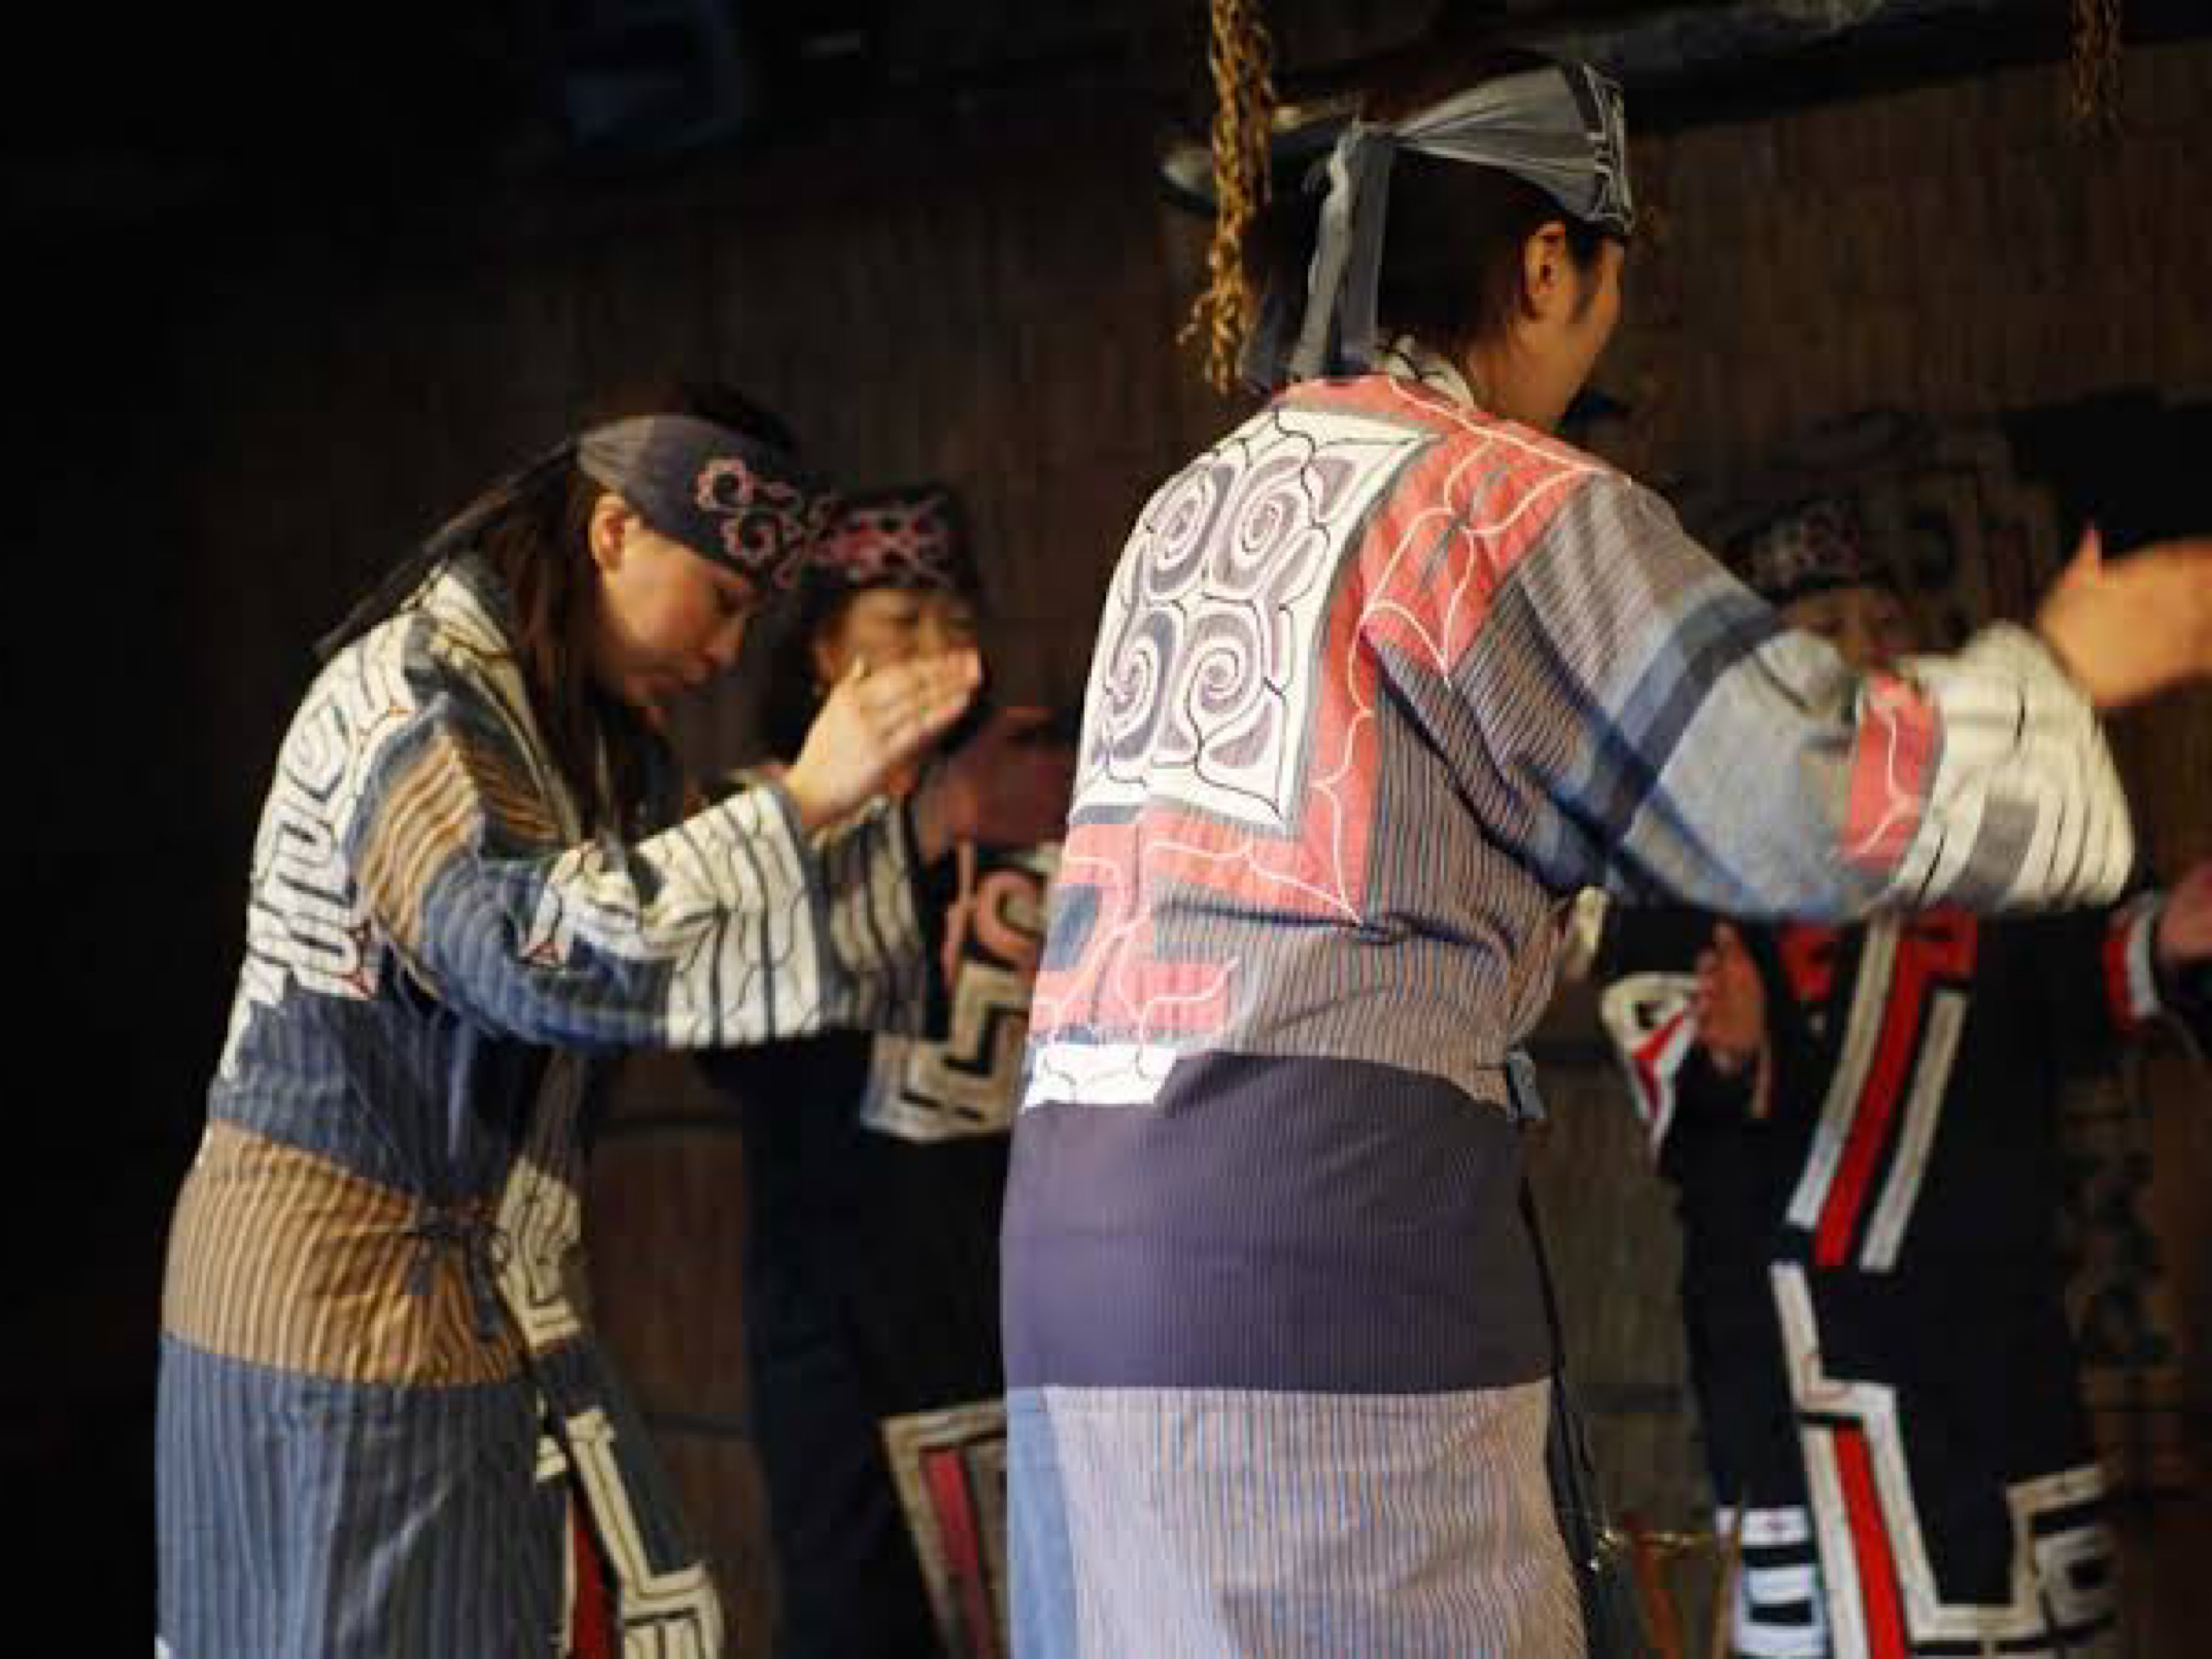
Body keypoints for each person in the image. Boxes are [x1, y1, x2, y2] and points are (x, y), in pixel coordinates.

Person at [995, 40, 2212, 1659]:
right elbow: (1797, 791)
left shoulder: (1193, 505)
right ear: (1550, 257)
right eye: (1610, 274)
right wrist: (2061, 672)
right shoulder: (1495, 498)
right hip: (1322, 1248)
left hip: (1083, 1252)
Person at [154, 385, 1037, 1657]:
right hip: (333, 1298)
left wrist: (911, 820)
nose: (730, 652)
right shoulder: (414, 696)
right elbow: (525, 947)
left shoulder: (564, 729)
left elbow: (666, 900)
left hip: (469, 1292)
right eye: (725, 601)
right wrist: (803, 803)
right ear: (616, 531)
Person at [1596, 496, 2212, 1659]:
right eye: (1829, 627)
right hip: (1804, 1389)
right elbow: (1669, 1058)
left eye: (1883, 617)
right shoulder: (1678, 861)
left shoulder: (1986, 840)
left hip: (1996, 1357)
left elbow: (2071, 979)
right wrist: (1732, 1046)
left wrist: (2164, 940)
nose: (1871, 642)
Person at [698, 483, 1070, 1658]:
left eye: (951, 617)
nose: (934, 647)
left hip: (1017, 1303)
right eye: (897, 620)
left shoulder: (1024, 802)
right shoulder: (755, 824)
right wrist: (915, 833)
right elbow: (735, 1048)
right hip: (843, 1321)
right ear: (823, 649)